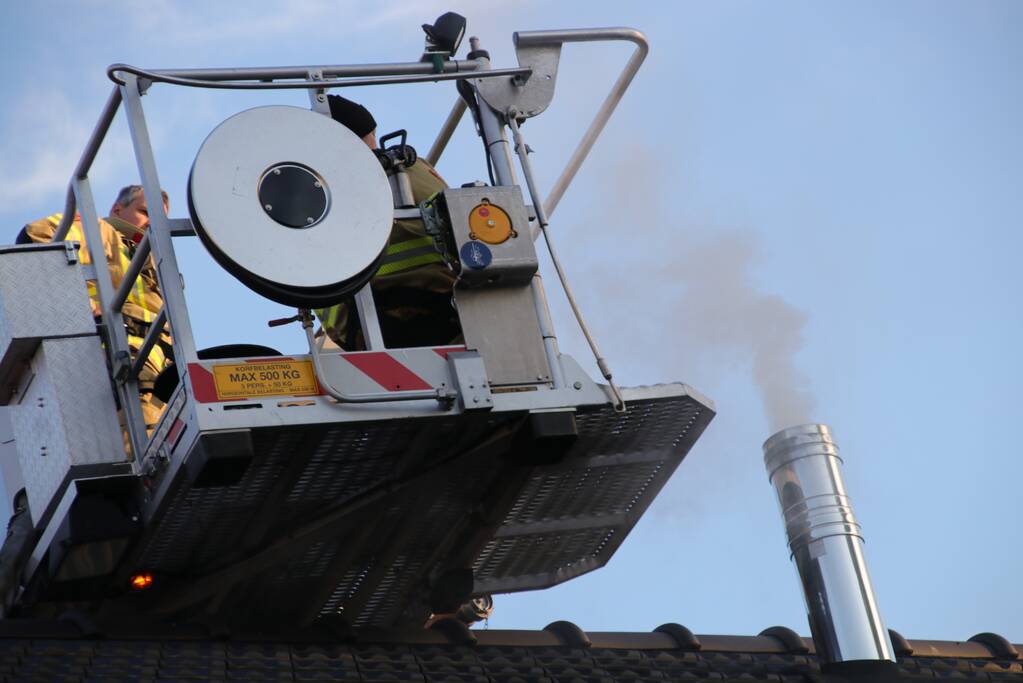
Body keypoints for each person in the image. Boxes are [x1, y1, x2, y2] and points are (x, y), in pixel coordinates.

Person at [22, 185, 173, 433]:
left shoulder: (153, 261)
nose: (150, 222)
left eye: (158, 217)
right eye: (145, 211)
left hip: (159, 368)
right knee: (141, 440)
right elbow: (38, 234)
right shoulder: (102, 231)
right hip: (125, 353)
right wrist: (80, 303)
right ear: (117, 209)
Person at [315, 95, 460, 349]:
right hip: (451, 310)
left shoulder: (316, 185)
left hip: (365, 328)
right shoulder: (417, 168)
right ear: (370, 132)